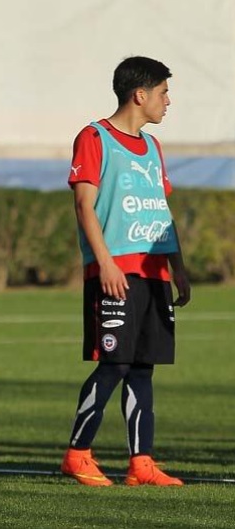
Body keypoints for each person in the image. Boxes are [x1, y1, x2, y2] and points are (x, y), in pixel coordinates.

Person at [61, 56, 191, 487]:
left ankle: (142, 464)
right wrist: (105, 263)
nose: (168, 101)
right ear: (140, 95)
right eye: (163, 92)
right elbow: (84, 205)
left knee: (142, 367)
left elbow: (161, 210)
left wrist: (178, 267)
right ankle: (77, 454)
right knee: (114, 364)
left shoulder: (153, 147)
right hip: (116, 271)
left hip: (155, 273)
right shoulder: (94, 137)